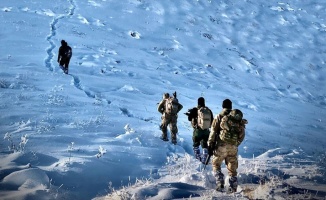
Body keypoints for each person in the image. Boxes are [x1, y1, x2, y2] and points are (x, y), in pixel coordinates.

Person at [207, 99, 247, 192]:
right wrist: (236, 144)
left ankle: (220, 182)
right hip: (233, 147)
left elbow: (213, 131)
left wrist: (210, 144)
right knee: (232, 167)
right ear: (231, 107)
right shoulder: (238, 119)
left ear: (222, 106)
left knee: (216, 164)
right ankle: (233, 186)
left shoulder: (220, 116)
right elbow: (242, 135)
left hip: (221, 145)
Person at [186, 97, 213, 164]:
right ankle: (204, 159)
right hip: (206, 131)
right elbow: (212, 121)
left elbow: (189, 119)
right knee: (205, 145)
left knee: (196, 144)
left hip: (198, 131)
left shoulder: (195, 109)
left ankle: (198, 158)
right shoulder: (208, 110)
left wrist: (190, 115)